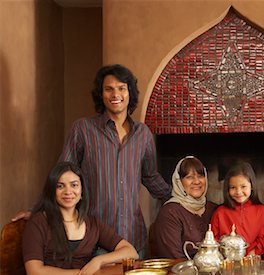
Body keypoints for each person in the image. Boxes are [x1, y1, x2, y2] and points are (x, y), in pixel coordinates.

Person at [13, 64, 171, 258]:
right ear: (101, 94)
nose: (116, 94)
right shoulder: (83, 130)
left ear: (130, 92)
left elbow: (151, 177)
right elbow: (61, 174)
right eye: (108, 89)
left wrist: (180, 200)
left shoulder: (143, 134)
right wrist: (37, 210)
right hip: (95, 239)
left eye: (121, 88)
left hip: (133, 239)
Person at [16, 162, 138, 275]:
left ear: (82, 191)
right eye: (60, 186)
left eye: (74, 185)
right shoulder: (38, 222)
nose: (68, 191)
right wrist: (83, 273)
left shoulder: (92, 223)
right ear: (52, 191)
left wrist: (98, 261)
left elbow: (130, 251)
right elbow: (35, 274)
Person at [152, 156, 217, 259]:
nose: (196, 181)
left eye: (200, 176)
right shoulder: (170, 212)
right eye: (189, 177)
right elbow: (173, 258)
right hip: (182, 272)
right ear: (179, 182)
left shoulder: (213, 209)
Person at [211, 162, 264, 256]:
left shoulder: (262, 211)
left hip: (251, 261)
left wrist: (252, 254)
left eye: (243, 186)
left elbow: (262, 238)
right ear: (227, 189)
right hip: (226, 262)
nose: (238, 192)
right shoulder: (220, 212)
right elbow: (213, 240)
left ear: (252, 186)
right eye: (233, 187)